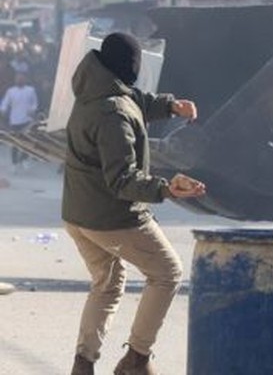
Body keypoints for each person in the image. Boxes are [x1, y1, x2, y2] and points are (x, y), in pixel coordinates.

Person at [63, 33, 206, 375]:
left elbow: (134, 100)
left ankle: (83, 364)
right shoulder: (113, 114)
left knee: (108, 285)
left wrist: (169, 105)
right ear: (131, 67)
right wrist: (168, 188)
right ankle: (137, 359)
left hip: (78, 214)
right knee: (168, 273)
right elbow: (122, 180)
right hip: (110, 217)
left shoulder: (93, 90)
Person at [1, 71, 38, 168]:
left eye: (21, 78)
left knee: (27, 141)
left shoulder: (31, 90)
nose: (19, 79)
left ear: (25, 79)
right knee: (15, 142)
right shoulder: (11, 91)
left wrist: (32, 110)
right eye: (17, 78)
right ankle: (14, 162)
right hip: (14, 121)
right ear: (15, 79)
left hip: (27, 120)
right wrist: (3, 110)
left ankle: (23, 159)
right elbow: (5, 103)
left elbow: (35, 103)